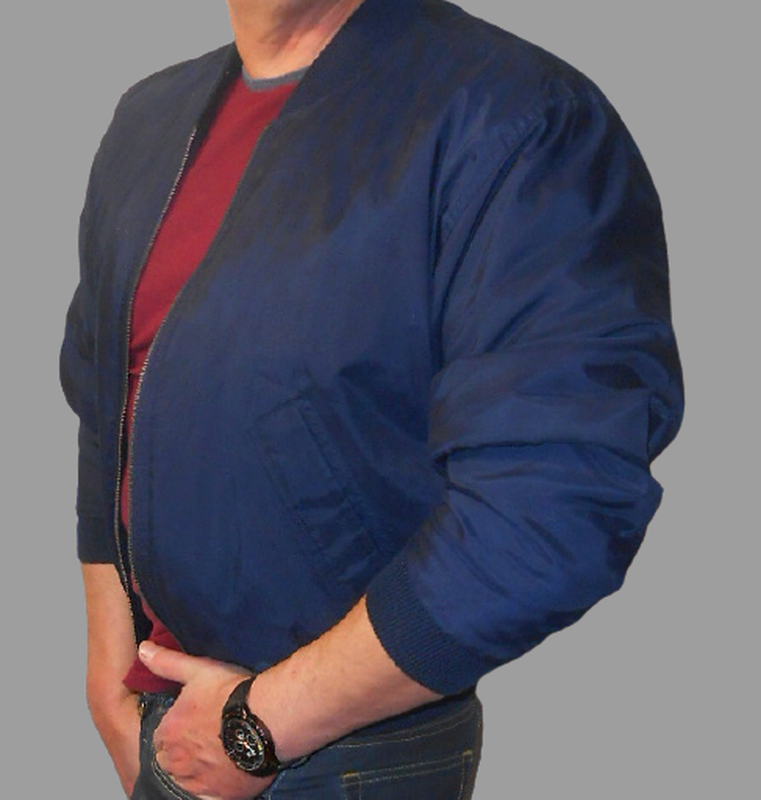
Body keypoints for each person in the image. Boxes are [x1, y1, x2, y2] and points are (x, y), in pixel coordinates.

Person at [60, 0, 684, 797]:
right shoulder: (149, 119)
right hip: (170, 728)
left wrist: (260, 725)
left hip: (345, 752)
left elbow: (555, 502)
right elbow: (104, 402)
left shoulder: (516, 116)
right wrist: (108, 676)